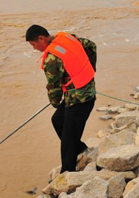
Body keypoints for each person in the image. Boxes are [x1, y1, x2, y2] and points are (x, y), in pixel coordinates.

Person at [25, 25, 97, 173]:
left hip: (79, 101)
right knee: (57, 120)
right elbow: (91, 46)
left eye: (34, 44)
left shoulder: (51, 59)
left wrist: (55, 102)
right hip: (86, 92)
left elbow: (54, 87)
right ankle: (80, 148)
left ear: (41, 38)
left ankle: (67, 174)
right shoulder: (66, 38)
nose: (34, 49)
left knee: (67, 140)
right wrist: (90, 68)